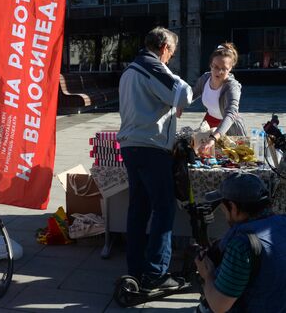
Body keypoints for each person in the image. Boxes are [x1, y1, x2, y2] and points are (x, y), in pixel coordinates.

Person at [117, 26, 193, 290]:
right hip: (150, 147)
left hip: (131, 146)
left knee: (139, 209)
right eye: (171, 53)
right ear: (163, 48)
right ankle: (156, 273)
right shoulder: (152, 65)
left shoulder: (130, 69)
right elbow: (183, 94)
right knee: (164, 208)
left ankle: (135, 268)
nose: (170, 58)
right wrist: (177, 81)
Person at [195, 173, 286, 313]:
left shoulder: (242, 245)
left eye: (223, 206)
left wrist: (207, 275)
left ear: (232, 206)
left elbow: (219, 306)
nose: (223, 212)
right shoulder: (282, 222)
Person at [192, 43, 247, 155]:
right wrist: (179, 105)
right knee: (201, 154)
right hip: (210, 121)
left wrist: (213, 138)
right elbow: (191, 95)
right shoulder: (205, 78)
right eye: (216, 67)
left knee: (232, 160)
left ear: (230, 68)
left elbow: (231, 114)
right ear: (211, 64)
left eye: (224, 69)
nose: (219, 72)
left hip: (229, 127)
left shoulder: (232, 86)